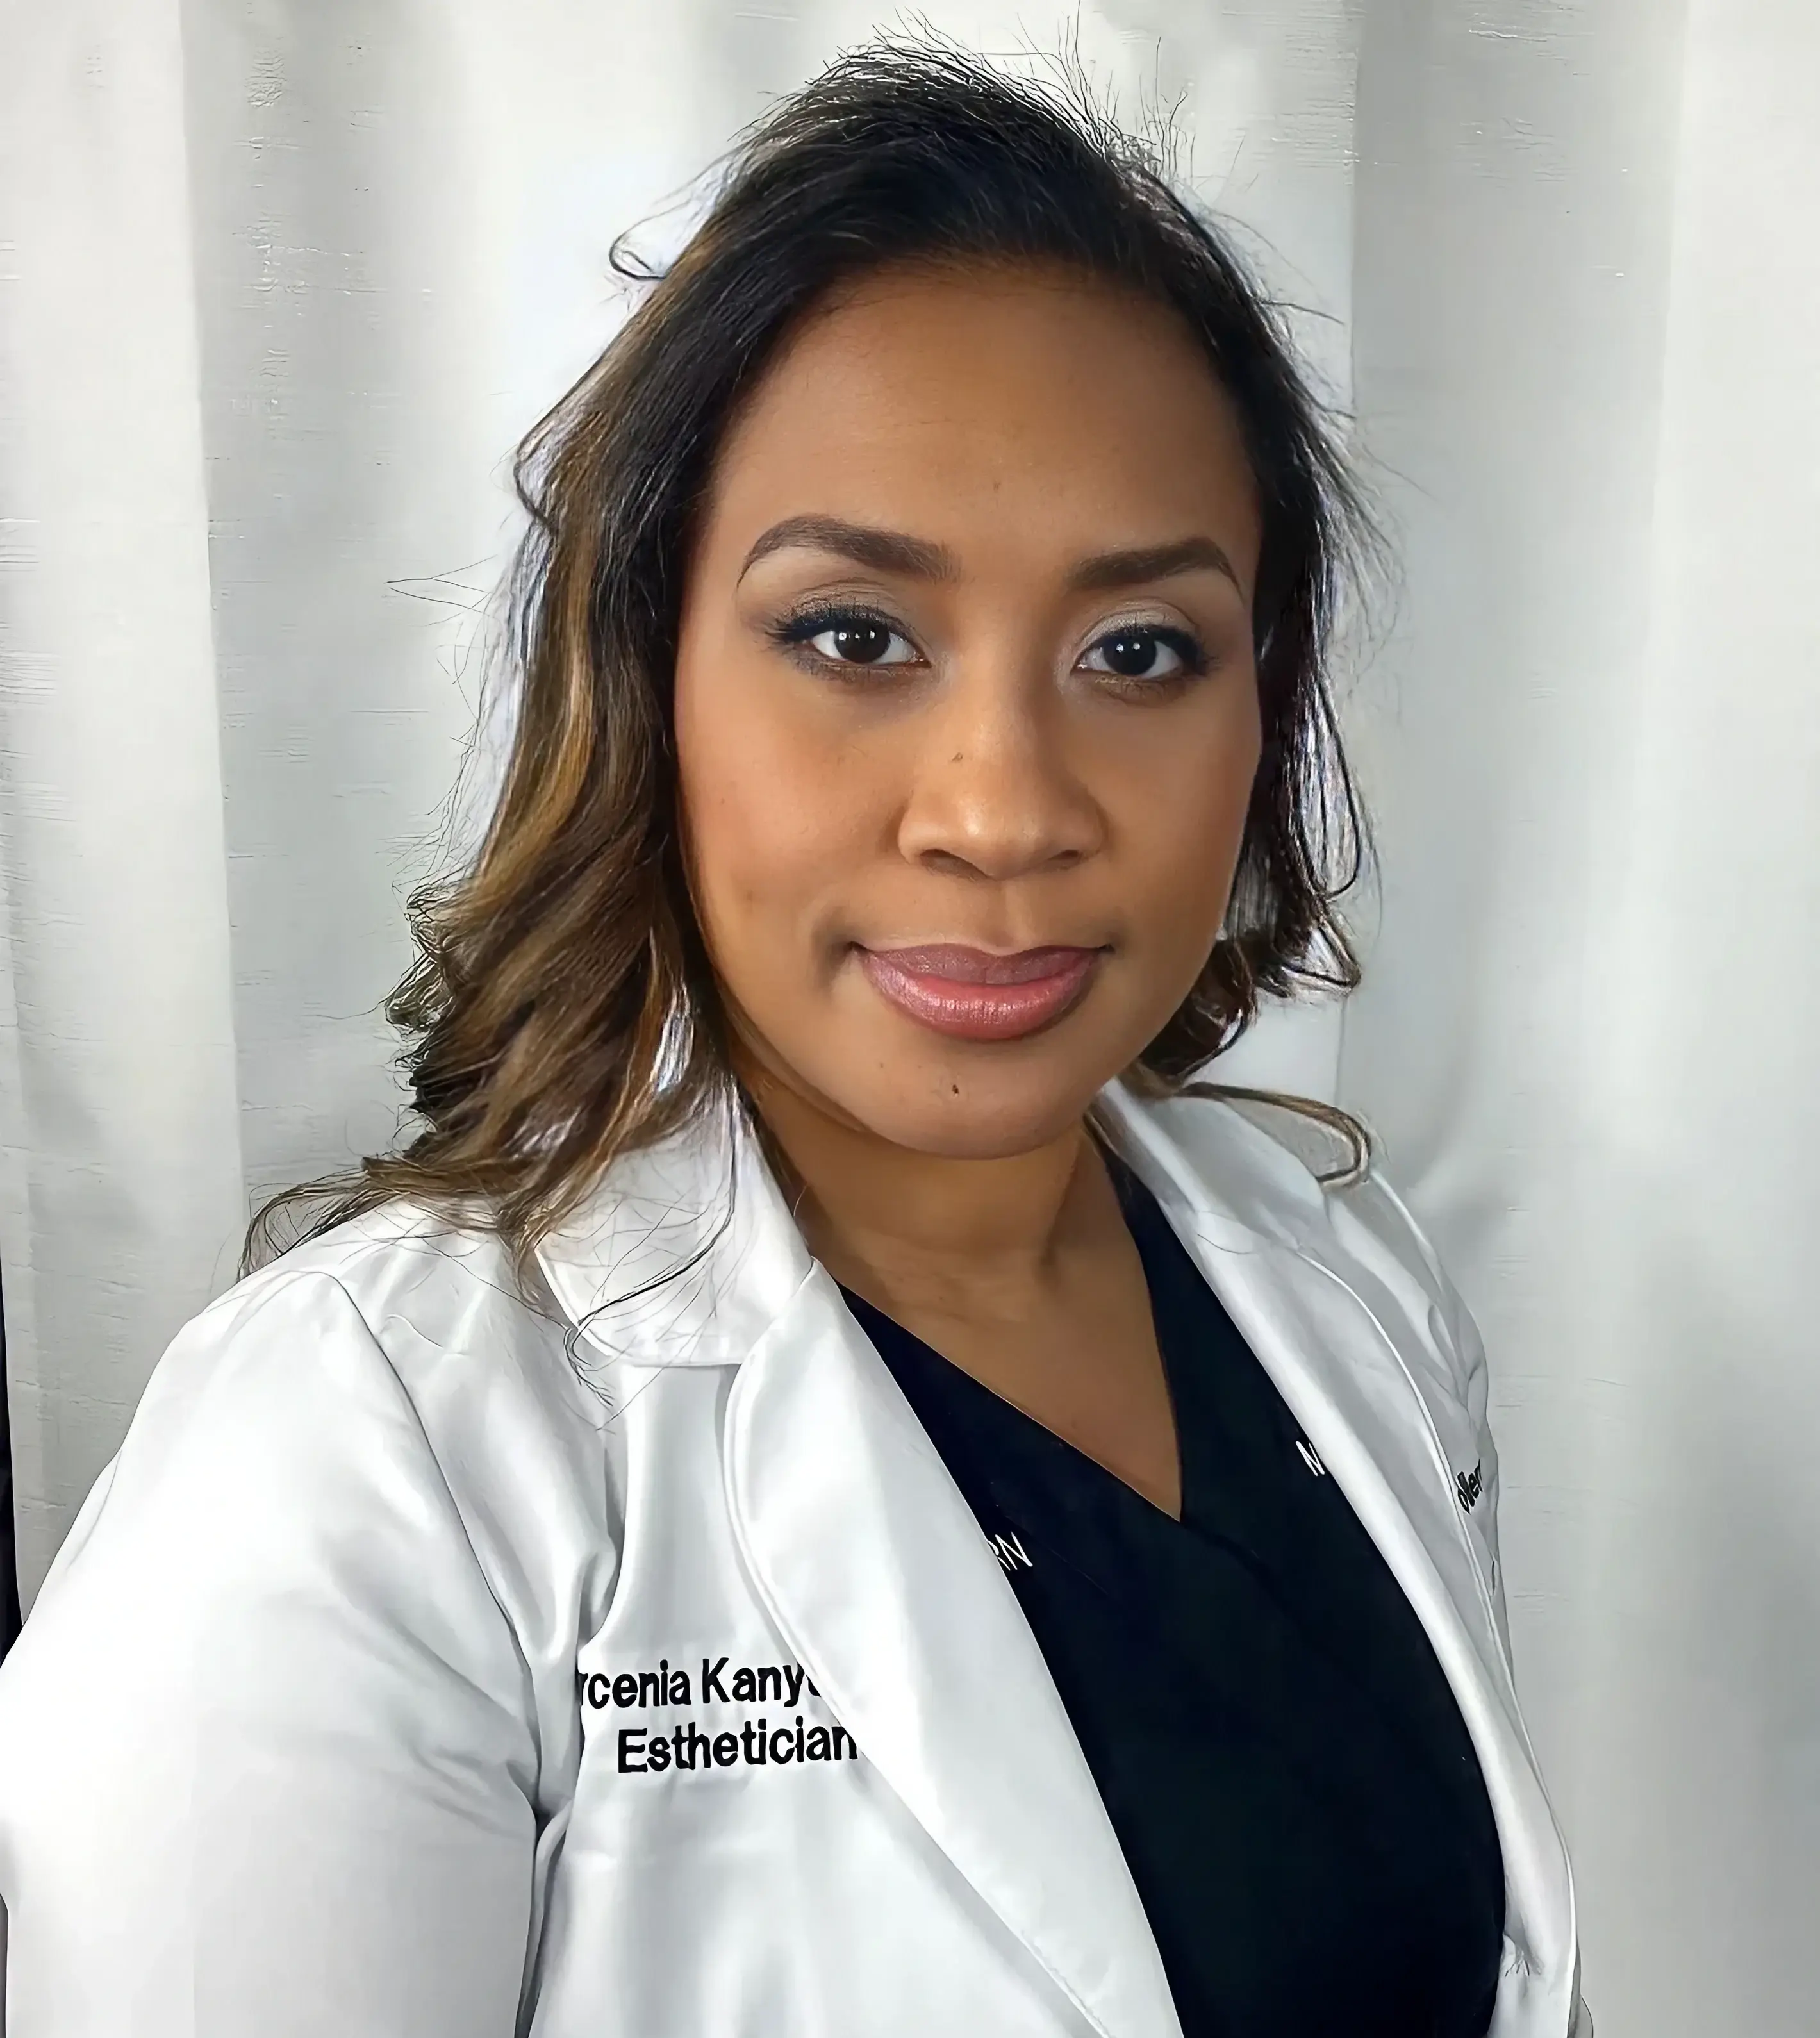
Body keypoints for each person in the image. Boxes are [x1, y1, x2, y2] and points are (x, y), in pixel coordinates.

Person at [0, 42, 1586, 2038]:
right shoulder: (354, 1461)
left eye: (1140, 650)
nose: (1001, 807)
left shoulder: (1344, 1286)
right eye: (855, 634)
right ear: (649, 675)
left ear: (1260, 712)